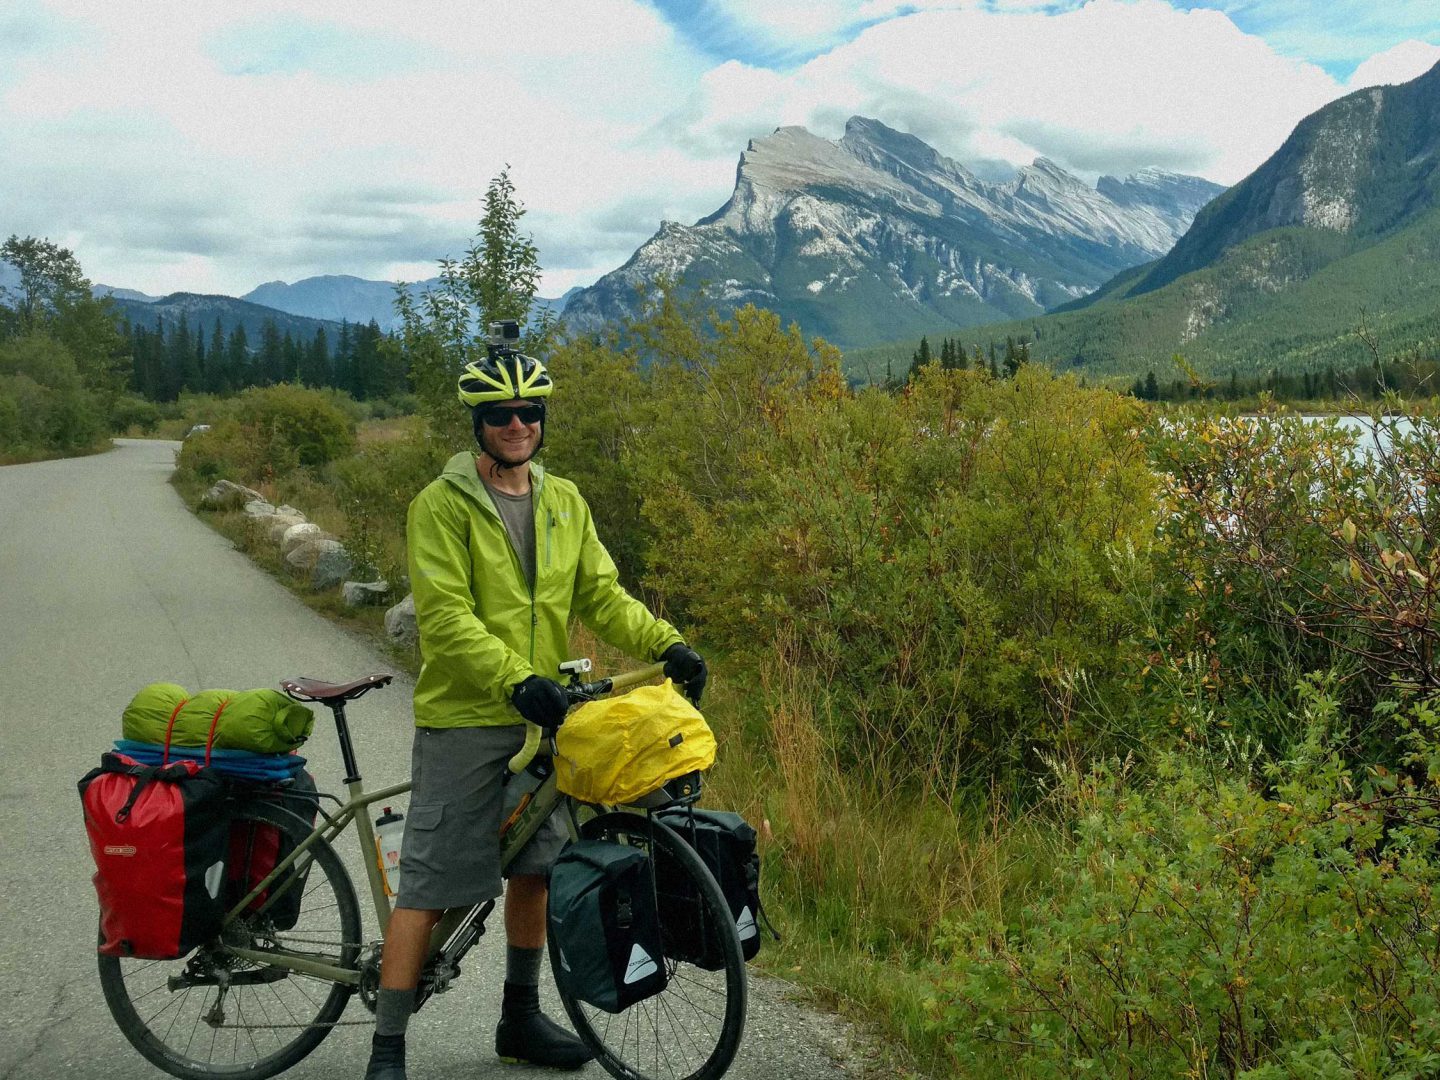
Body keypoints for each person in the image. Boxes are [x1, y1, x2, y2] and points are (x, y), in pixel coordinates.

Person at [364, 340, 708, 1079]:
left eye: (528, 412)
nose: (516, 424)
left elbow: (601, 596)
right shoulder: (441, 505)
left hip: (542, 720)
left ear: (542, 419)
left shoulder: (564, 501)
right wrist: (518, 679)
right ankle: (386, 1048)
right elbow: (448, 619)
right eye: (500, 414)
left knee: (537, 872)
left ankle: (518, 1017)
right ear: (478, 422)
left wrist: (668, 642)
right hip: (467, 718)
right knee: (429, 882)